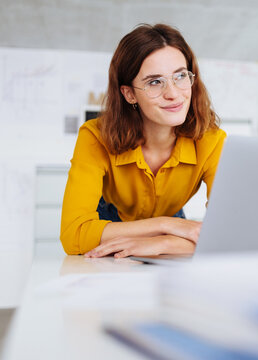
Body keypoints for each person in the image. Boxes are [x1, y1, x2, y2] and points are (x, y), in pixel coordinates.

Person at [60, 24, 226, 258]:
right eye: (155, 82)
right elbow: (73, 235)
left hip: (174, 228)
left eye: (180, 76)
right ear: (129, 94)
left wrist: (166, 243)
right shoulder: (94, 136)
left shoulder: (212, 141)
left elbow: (228, 236)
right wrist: (166, 226)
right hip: (112, 223)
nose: (174, 93)